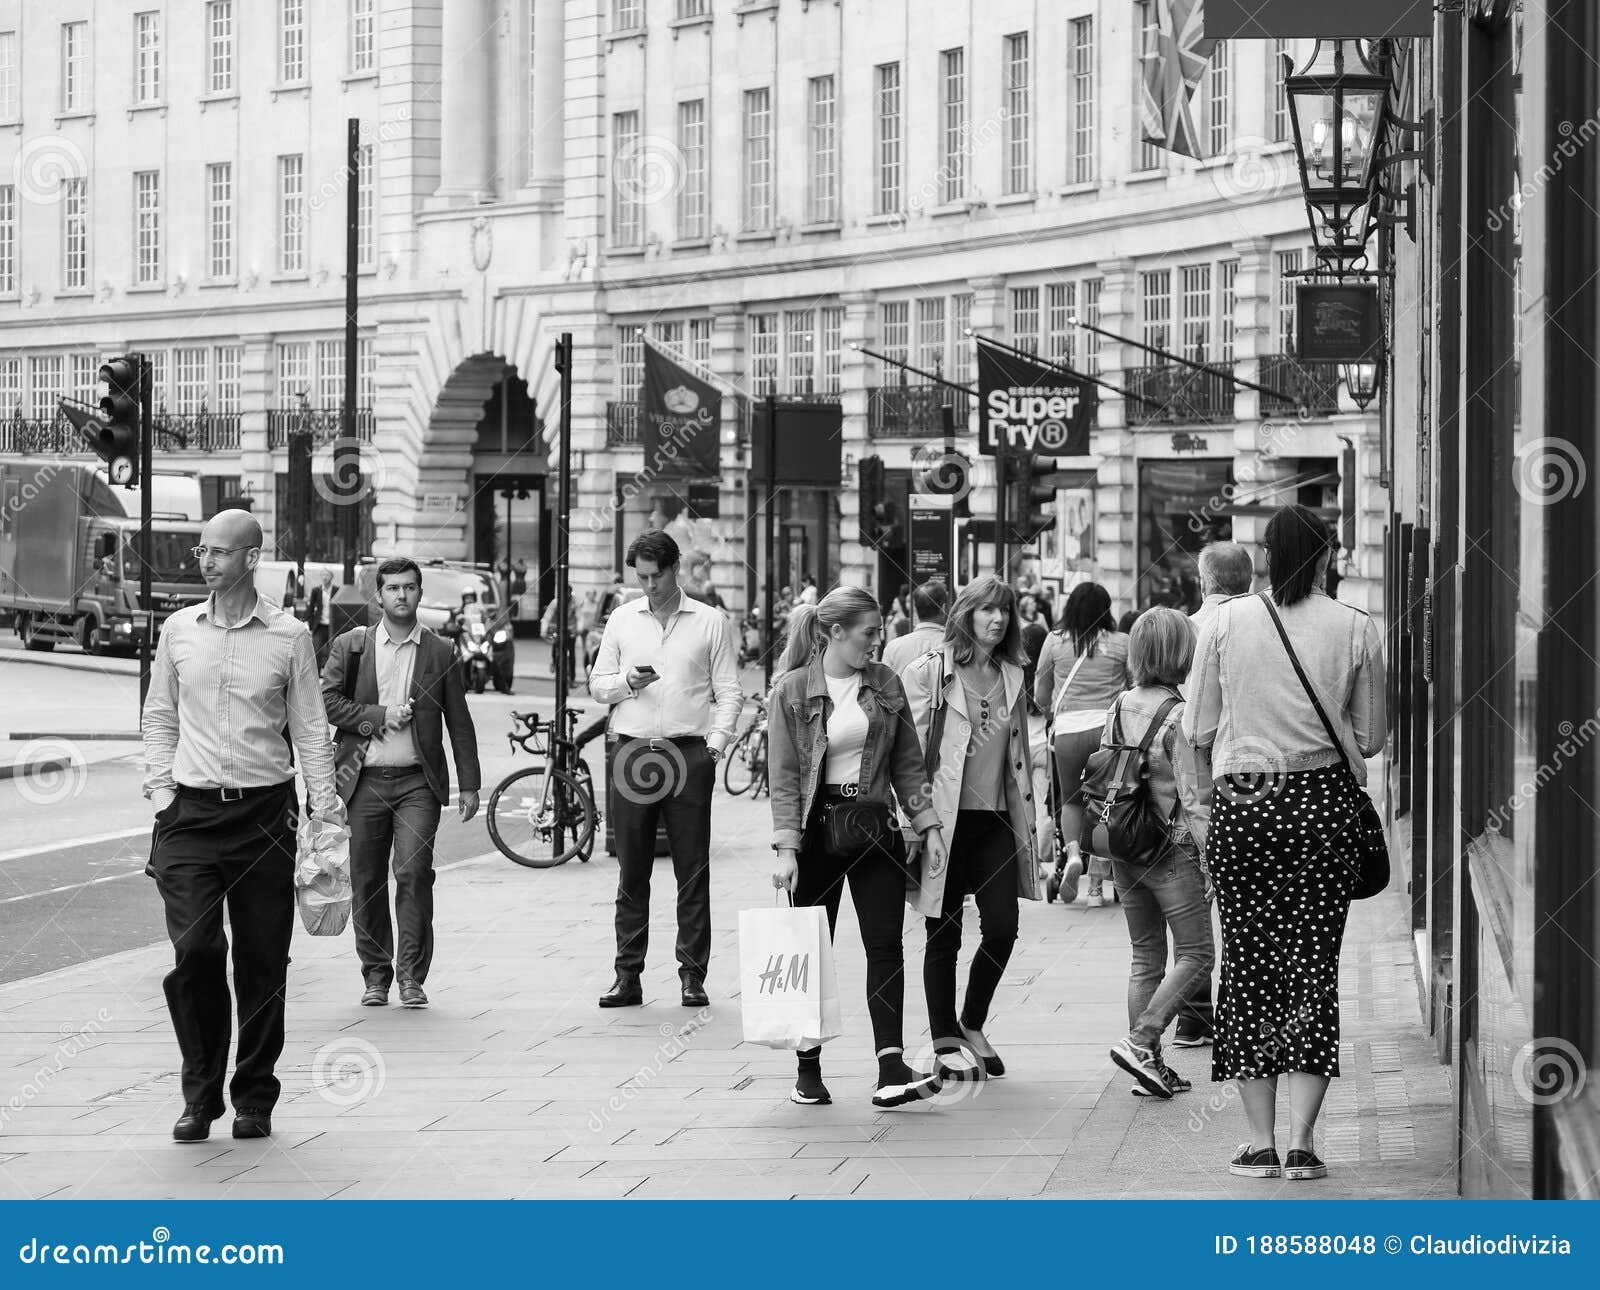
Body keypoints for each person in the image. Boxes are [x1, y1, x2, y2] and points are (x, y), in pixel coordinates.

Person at [1184, 505, 1386, 1182]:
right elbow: (1372, 738)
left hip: (1247, 805)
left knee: (1247, 965)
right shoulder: (1358, 628)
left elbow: (1198, 724)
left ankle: (1258, 1142)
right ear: (1327, 557)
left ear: (1267, 558)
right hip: (1324, 808)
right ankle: (1303, 1143)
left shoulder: (1225, 620)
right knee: (1312, 969)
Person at [142, 511, 343, 1144]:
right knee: (196, 951)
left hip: (264, 817)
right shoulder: (178, 630)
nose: (205, 561)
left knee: (262, 964)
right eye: (202, 551)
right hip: (190, 817)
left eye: (218, 553)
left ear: (250, 559)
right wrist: (160, 789)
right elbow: (158, 715)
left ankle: (254, 1094)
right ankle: (199, 1095)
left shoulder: (290, 637)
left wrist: (326, 810)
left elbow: (310, 726)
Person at [767, 590, 949, 1109]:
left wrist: (928, 826)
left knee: (885, 945)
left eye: (880, 630)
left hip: (874, 829)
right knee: (810, 951)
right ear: (835, 632)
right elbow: (784, 778)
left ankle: (890, 1068)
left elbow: (909, 765)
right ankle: (808, 1070)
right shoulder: (793, 690)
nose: (879, 640)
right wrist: (787, 848)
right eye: (870, 631)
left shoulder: (885, 683)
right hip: (817, 833)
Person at [589, 530, 742, 1009]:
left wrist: (713, 749)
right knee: (631, 871)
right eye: (641, 577)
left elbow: (729, 691)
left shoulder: (710, 621)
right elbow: (596, 686)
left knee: (692, 871)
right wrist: (626, 684)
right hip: (633, 752)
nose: (649, 586)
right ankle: (627, 976)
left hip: (688, 751)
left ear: (676, 569)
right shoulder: (621, 619)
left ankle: (692, 976)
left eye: (656, 576)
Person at [322, 558, 482, 1010]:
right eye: (392, 588)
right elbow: (327, 702)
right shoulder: (351, 646)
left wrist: (469, 784)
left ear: (420, 592)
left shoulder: (441, 651)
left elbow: (460, 722)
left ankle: (412, 976)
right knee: (367, 879)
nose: (401, 596)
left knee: (413, 873)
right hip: (362, 781)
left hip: (417, 783)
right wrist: (378, 717)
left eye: (409, 587)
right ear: (379, 596)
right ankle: (376, 974)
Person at [900, 575, 1042, 1080]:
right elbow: (910, 757)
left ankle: (972, 1021)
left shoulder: (1012, 674)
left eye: (1004, 611)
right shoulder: (929, 673)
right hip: (944, 821)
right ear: (965, 613)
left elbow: (1019, 757)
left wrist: (1035, 820)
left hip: (997, 820)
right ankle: (944, 1043)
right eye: (986, 610)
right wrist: (919, 824)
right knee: (944, 933)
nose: (997, 619)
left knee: (1003, 926)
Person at [1102, 608, 1215, 1100]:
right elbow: (1195, 798)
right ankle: (1142, 1039)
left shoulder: (1119, 703)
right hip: (1172, 849)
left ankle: (1148, 1066)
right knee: (1198, 954)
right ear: (1179, 653)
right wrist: (1212, 860)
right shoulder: (1179, 716)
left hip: (1125, 845)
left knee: (1145, 956)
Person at [1172, 541, 1253, 1048]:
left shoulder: (1184, 630)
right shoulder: (1262, 625)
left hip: (1191, 775)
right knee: (1243, 897)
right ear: (1248, 579)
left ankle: (1195, 1013)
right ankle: (1244, 1009)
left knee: (1194, 894)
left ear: (1204, 580)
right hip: (1248, 774)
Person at [1036, 583, 1131, 907]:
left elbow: (1041, 694)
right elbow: (1134, 686)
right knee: (1107, 804)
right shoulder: (1121, 643)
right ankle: (1095, 884)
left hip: (1068, 732)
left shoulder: (1054, 642)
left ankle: (1073, 851)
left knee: (1071, 801)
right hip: (1106, 731)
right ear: (1106, 609)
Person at [881, 578, 950, 675]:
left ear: (916, 610)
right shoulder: (956, 647)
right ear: (944, 608)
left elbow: (884, 687)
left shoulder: (893, 648)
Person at [307, 569, 336, 667]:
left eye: (327, 575)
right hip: (319, 626)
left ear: (331, 577)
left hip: (332, 626)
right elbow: (310, 609)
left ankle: (329, 673)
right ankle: (316, 674)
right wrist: (311, 627)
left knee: (332, 651)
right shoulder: (316, 590)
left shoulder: (337, 590)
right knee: (316, 650)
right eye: (323, 575)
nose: (325, 577)